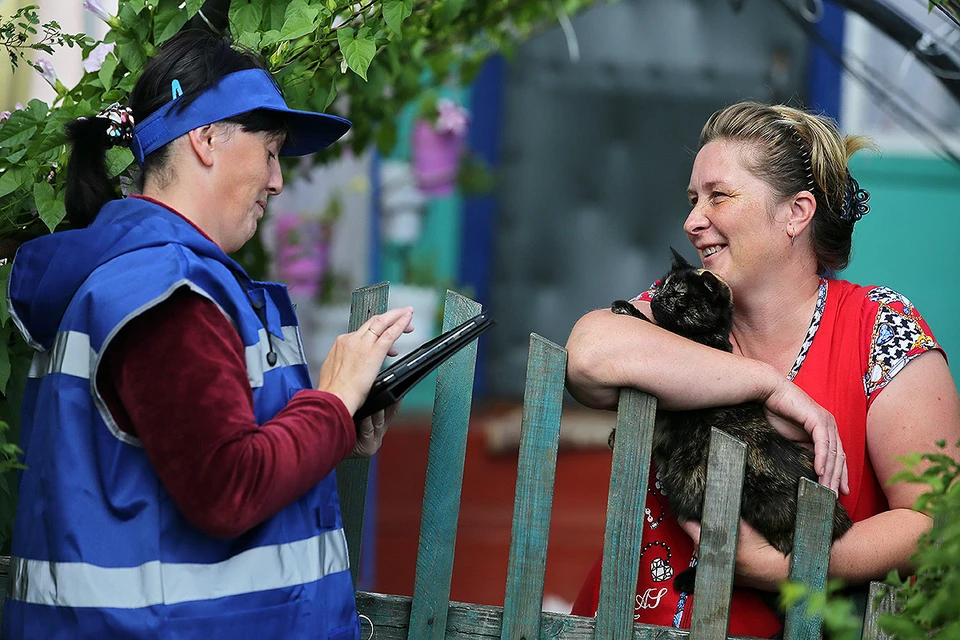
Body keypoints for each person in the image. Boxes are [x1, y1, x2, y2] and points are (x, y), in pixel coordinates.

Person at [2, 31, 414, 640]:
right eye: (270, 151)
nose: (278, 181)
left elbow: (187, 451)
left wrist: (333, 428)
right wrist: (329, 404)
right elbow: (227, 488)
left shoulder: (159, 279)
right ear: (204, 139)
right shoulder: (164, 291)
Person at [565, 101, 960, 637]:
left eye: (718, 196)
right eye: (692, 199)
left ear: (795, 213)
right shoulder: (683, 306)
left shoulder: (879, 327)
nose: (691, 220)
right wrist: (769, 386)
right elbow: (588, 357)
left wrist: (781, 567)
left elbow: (938, 524)